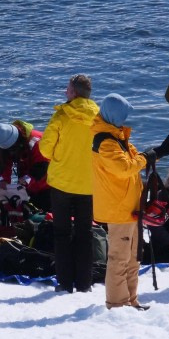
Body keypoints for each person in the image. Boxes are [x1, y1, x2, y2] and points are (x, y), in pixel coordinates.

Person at [91, 94, 169, 309]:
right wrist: (149, 156)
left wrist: (159, 152)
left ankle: (130, 300)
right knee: (119, 258)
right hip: (118, 209)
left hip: (131, 207)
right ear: (114, 115)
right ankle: (117, 304)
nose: (126, 119)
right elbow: (125, 167)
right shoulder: (105, 142)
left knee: (134, 256)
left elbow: (136, 158)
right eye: (123, 115)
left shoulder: (117, 137)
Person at [40, 74, 100, 294]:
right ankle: (85, 283)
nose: (65, 92)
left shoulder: (61, 116)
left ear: (74, 92)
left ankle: (65, 283)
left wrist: (61, 156)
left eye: (67, 89)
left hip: (62, 183)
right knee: (85, 233)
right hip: (89, 184)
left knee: (62, 233)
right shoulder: (99, 117)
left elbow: (45, 149)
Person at [0, 119, 51, 211]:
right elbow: (3, 164)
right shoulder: (4, 146)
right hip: (27, 187)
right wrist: (3, 180)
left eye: (13, 148)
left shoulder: (38, 141)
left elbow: (43, 167)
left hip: (48, 185)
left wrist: (27, 179)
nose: (11, 151)